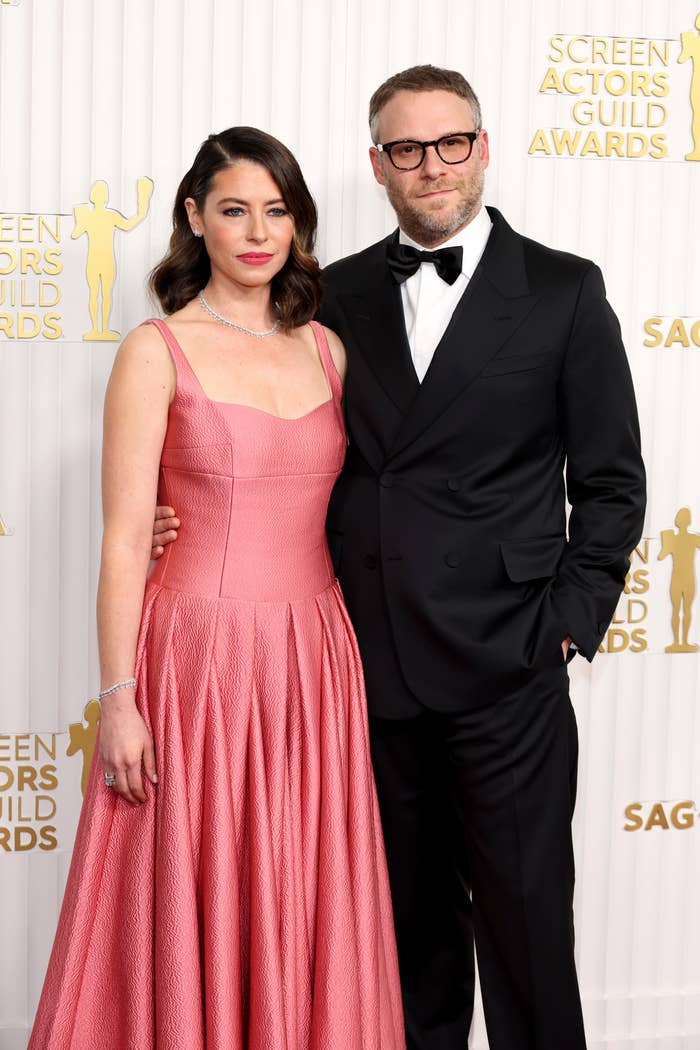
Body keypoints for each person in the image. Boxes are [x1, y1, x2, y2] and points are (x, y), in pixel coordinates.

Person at [153, 66, 646, 1050]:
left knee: (527, 932)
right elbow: (278, 445)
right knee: (397, 940)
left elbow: (611, 484)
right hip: (364, 671)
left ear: (484, 146)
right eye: (407, 149)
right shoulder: (327, 299)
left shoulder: (561, 289)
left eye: (450, 142)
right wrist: (188, 519)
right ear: (376, 164)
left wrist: (564, 627)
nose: (432, 166)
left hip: (508, 667)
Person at [29, 127, 405, 1050]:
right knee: (190, 884)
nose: (256, 231)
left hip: (311, 659)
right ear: (195, 218)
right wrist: (118, 698)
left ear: (298, 225)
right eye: (234, 209)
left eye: (277, 211)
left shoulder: (329, 351)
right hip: (196, 659)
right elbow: (124, 541)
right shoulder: (157, 350)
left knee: (298, 883)